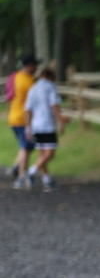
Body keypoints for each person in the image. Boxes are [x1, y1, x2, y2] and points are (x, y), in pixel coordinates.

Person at [23, 66, 68, 191]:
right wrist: (60, 121)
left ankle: (47, 181)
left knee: (42, 154)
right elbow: (54, 105)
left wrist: (28, 127)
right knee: (50, 153)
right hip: (47, 125)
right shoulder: (50, 87)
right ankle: (31, 171)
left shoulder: (33, 88)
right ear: (51, 77)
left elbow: (27, 110)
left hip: (35, 125)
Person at [8, 54, 38, 190]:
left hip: (13, 117)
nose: (36, 68)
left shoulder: (15, 76)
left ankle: (16, 167)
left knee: (25, 145)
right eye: (35, 65)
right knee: (26, 146)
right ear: (30, 66)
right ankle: (21, 176)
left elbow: (10, 96)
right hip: (23, 118)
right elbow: (34, 102)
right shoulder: (29, 81)